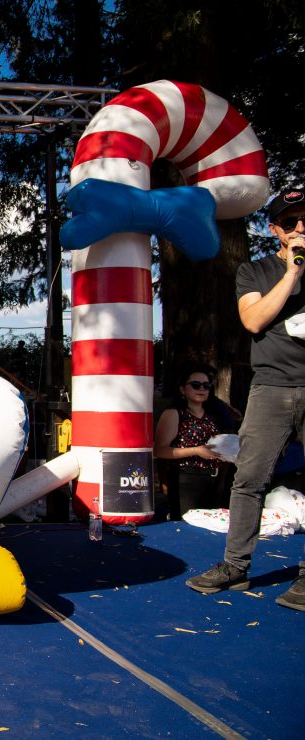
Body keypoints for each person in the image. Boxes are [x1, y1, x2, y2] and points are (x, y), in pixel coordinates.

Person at [186, 188, 305, 612]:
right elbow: (253, 320)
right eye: (290, 222)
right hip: (272, 386)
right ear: (276, 231)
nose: (300, 227)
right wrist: (292, 273)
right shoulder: (255, 271)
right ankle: (235, 566)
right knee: (249, 479)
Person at [153, 364, 227, 520]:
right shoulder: (174, 413)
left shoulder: (212, 416)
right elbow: (159, 450)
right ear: (182, 389)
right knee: (187, 525)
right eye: (195, 385)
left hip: (213, 478)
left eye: (206, 386)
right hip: (186, 479)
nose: (202, 389)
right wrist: (196, 450)